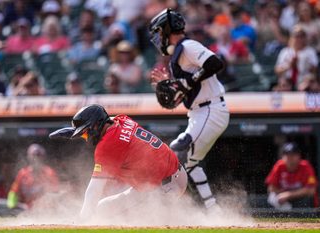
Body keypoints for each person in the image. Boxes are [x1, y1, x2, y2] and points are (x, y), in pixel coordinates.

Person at [149, 8, 230, 210]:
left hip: (210, 109)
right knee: (191, 164)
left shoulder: (188, 45)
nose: (159, 37)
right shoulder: (178, 55)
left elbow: (215, 62)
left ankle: (161, 205)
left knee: (174, 153)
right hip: (199, 112)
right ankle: (213, 210)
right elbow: (183, 92)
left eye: (160, 32)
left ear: (168, 29)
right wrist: (174, 84)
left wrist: (186, 82)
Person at [49, 104, 187, 221]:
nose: (86, 138)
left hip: (164, 188)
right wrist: (76, 131)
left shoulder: (108, 145)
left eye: (85, 133)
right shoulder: (120, 119)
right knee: (104, 209)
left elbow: (94, 189)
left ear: (96, 125)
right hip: (168, 177)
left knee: (136, 222)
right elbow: (107, 123)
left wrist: (82, 220)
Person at [265, 142, 318, 210]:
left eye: (293, 155)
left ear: (299, 156)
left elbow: (311, 190)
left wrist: (288, 195)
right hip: (284, 204)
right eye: (287, 155)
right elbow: (271, 188)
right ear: (282, 156)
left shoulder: (305, 166)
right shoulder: (279, 166)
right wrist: (283, 193)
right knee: (273, 198)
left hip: (305, 207)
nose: (290, 158)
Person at [6, 144, 59, 210]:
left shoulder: (49, 173)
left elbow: (55, 193)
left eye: (38, 156)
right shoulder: (23, 173)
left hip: (45, 210)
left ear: (43, 157)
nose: (36, 158)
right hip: (26, 209)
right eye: (33, 156)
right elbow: (13, 192)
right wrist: (11, 205)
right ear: (29, 157)